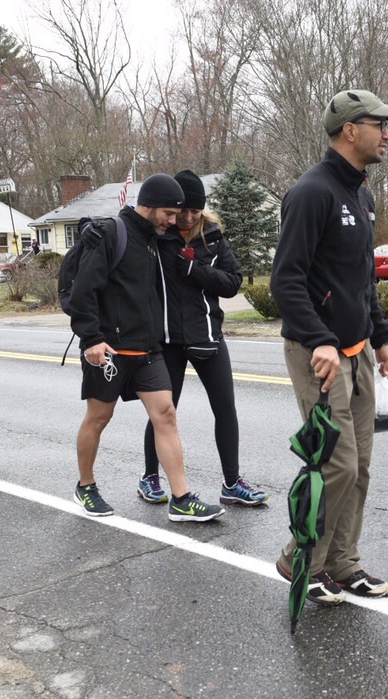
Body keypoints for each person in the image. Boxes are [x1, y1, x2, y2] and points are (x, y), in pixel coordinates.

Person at [269, 89, 388, 606]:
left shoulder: (361, 196)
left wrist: (382, 336)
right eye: (380, 125)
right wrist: (320, 339)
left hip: (357, 350)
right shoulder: (312, 192)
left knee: (361, 464)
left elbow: (362, 280)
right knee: (338, 464)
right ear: (351, 130)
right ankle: (298, 559)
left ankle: (343, 565)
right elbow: (287, 281)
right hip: (317, 353)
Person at [68, 173, 224, 523]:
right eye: (169, 213)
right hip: (109, 348)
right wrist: (91, 338)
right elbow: (82, 292)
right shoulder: (111, 233)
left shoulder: (158, 238)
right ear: (149, 206)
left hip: (147, 348)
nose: (174, 221)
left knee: (166, 414)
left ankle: (181, 498)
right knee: (99, 417)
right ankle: (86, 486)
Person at [135, 169, 268, 509]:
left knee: (226, 409)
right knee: (163, 413)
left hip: (208, 336)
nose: (189, 217)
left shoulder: (212, 236)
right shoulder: (157, 236)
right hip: (167, 342)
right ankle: (150, 477)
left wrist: (195, 270)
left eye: (195, 210)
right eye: (183, 211)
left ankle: (231, 483)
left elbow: (232, 281)